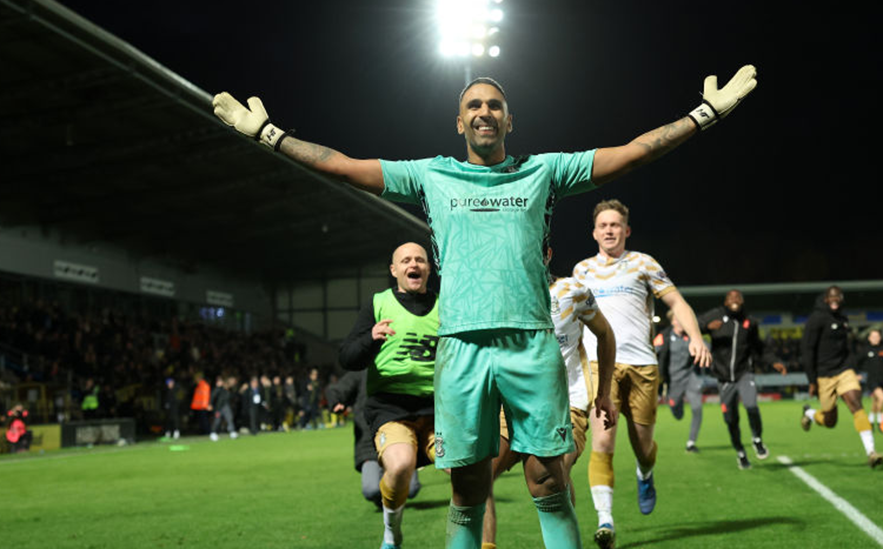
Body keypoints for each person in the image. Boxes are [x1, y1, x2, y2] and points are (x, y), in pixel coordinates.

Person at [214, 64, 757, 549]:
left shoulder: (544, 171)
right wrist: (269, 135)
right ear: (459, 122)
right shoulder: (430, 175)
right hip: (461, 350)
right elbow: (344, 167)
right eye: (473, 104)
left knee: (549, 477)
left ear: (509, 120)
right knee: (469, 484)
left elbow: (633, 153)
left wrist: (703, 115)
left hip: (530, 345)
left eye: (494, 104)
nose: (483, 111)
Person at [574, 199, 711, 546]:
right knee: (603, 440)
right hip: (599, 365)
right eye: (603, 225)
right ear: (594, 232)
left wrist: (696, 337)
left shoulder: (643, 263)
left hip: (643, 366)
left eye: (615, 225)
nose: (609, 230)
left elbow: (676, 302)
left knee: (643, 445)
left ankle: (645, 472)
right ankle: (605, 521)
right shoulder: (582, 271)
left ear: (626, 230)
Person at [482, 267, 618, 549]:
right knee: (476, 476)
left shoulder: (573, 291)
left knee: (551, 480)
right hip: (512, 407)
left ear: (547, 254)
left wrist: (604, 393)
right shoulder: (500, 293)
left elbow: (605, 334)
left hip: (565, 404)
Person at [338, 242, 440, 549]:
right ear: (394, 270)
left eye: (420, 260)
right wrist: (370, 339)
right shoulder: (378, 303)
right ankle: (392, 535)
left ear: (428, 268)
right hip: (391, 407)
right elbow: (347, 358)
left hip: (439, 409)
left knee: (468, 472)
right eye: (406, 260)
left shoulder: (446, 305)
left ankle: (471, 539)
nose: (414, 264)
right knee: (399, 466)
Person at [699, 289, 785, 470]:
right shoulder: (715, 315)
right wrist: (706, 328)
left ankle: (757, 439)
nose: (734, 300)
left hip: (744, 373)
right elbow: (692, 326)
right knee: (731, 419)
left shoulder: (749, 322)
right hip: (723, 379)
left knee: (751, 405)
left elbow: (759, 348)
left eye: (737, 297)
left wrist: (774, 361)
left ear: (742, 301)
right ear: (725, 301)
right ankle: (740, 453)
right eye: (731, 297)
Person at [799, 286, 882, 467]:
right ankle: (810, 413)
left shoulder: (843, 319)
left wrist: (852, 367)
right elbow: (807, 350)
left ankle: (871, 452)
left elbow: (846, 348)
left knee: (856, 404)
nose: (835, 300)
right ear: (826, 299)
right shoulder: (817, 319)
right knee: (830, 421)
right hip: (823, 375)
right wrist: (812, 380)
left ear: (841, 299)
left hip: (844, 370)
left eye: (838, 298)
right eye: (831, 298)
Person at [326, 369, 422, 510]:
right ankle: (384, 494)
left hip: (400, 436)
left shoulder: (400, 367)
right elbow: (337, 389)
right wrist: (336, 402)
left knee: (412, 489)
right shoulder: (362, 372)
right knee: (371, 489)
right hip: (370, 440)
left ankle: (390, 481)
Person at [654, 310, 705, 454]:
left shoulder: (692, 336)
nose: (682, 322)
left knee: (697, 408)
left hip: (691, 377)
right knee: (677, 413)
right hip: (673, 380)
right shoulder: (664, 336)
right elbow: (652, 351)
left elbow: (705, 347)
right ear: (673, 322)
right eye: (679, 319)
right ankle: (675, 404)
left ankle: (691, 443)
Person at [856, 329, 883, 430]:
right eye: (873, 336)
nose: (875, 338)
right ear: (869, 338)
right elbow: (856, 362)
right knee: (882, 398)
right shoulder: (865, 350)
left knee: (876, 401)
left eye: (877, 336)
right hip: (871, 380)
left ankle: (870, 420)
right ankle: (880, 420)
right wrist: (857, 374)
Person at [210, 376, 239, 441]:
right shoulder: (219, 389)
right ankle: (213, 433)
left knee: (229, 418)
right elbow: (213, 396)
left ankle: (232, 432)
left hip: (226, 406)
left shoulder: (230, 390)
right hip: (219, 407)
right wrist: (210, 404)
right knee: (217, 421)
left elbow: (233, 397)